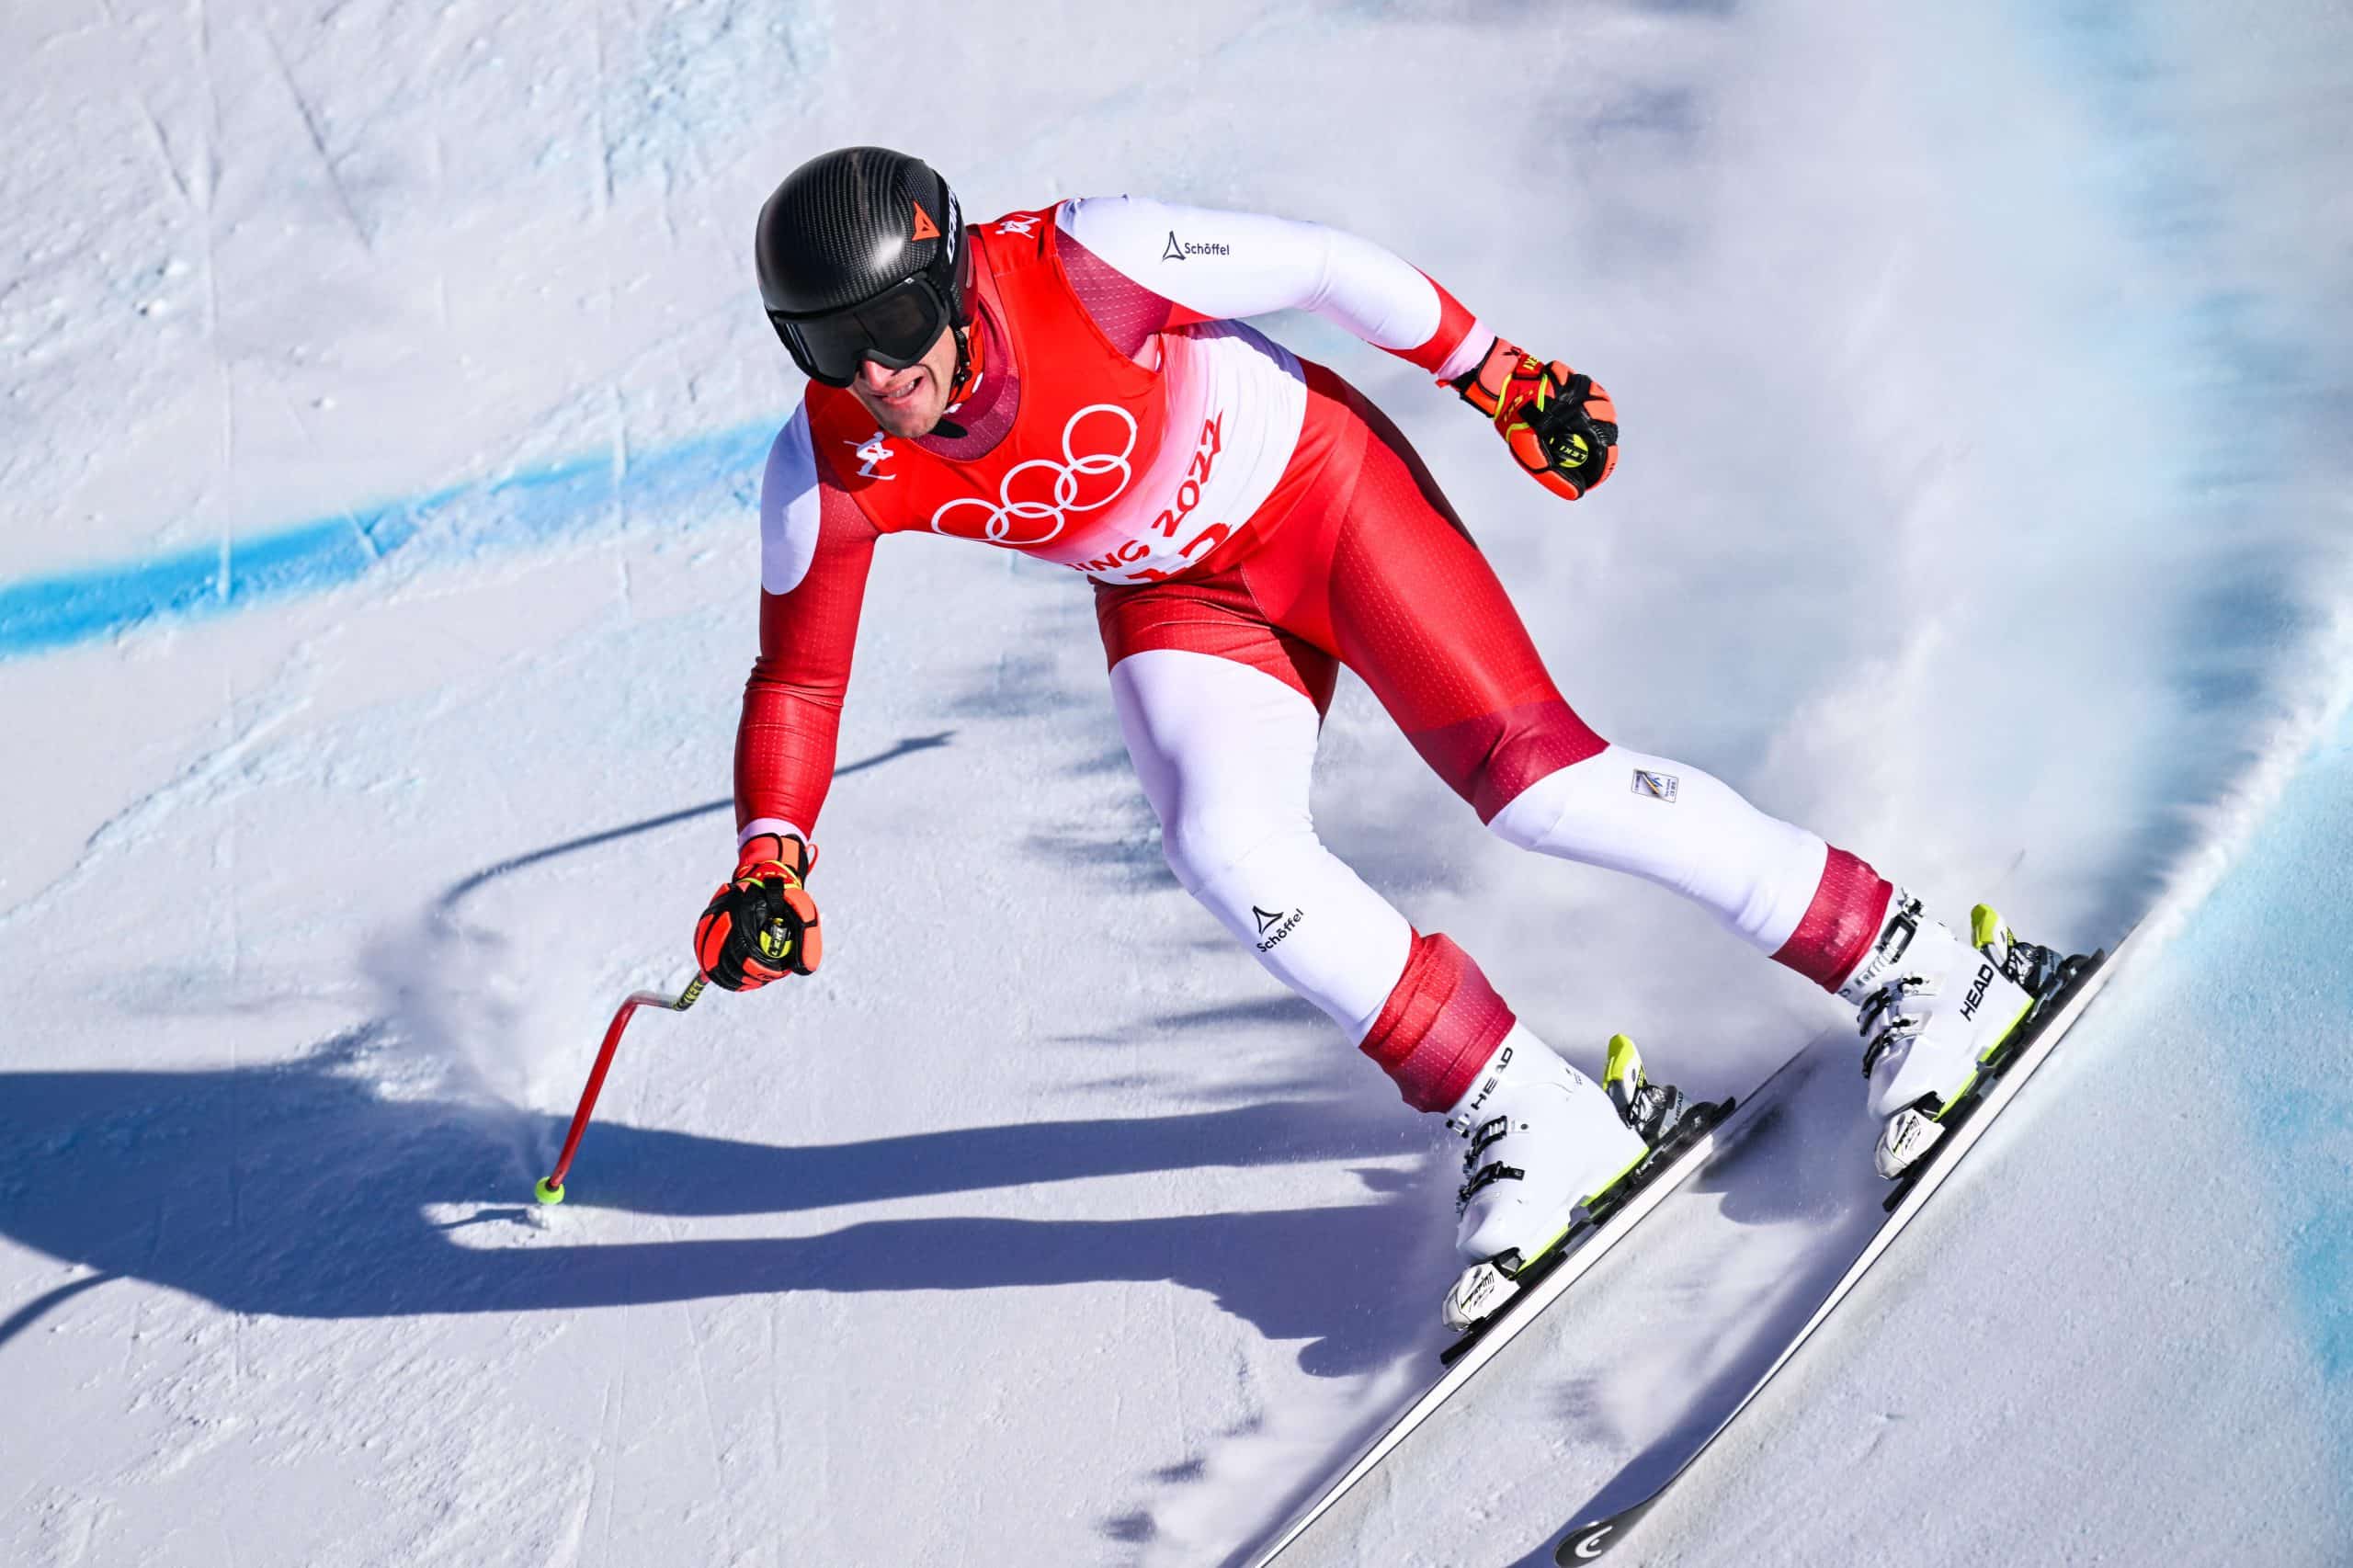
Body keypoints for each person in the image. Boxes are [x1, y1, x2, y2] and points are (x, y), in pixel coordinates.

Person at [690, 146, 2065, 1330]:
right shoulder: (829, 462)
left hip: (1320, 496)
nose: (875, 372)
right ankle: (1530, 1114)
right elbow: (797, 679)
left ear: (946, 276)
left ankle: (1917, 962)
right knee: (1221, 847)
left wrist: (1499, 376)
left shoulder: (1085, 262)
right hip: (1175, 591)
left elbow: (1323, 267)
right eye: (824, 344)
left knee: (1536, 786)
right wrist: (772, 854)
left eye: (890, 322)